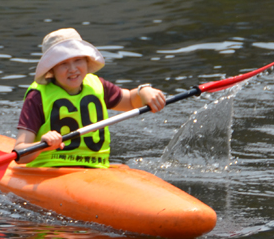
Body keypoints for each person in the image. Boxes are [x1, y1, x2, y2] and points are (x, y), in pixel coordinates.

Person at [14, 28, 166, 167]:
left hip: (95, 170)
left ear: (87, 61)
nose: (73, 69)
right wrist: (43, 143)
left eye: (77, 60)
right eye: (63, 63)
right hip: (51, 169)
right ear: (51, 69)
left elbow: (131, 101)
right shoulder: (37, 96)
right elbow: (20, 153)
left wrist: (143, 91)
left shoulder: (97, 85)